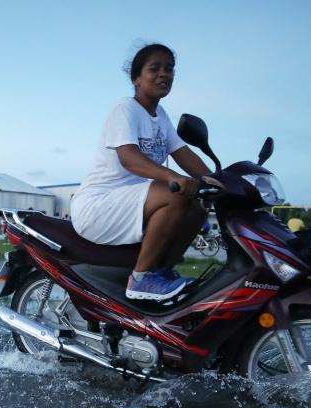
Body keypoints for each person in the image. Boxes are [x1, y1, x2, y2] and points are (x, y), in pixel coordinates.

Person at [70, 43, 219, 301]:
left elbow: (184, 154)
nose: (164, 74)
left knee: (199, 203)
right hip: (99, 206)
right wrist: (173, 177)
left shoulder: (161, 115)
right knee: (175, 193)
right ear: (137, 78)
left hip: (131, 203)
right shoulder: (124, 109)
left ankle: (162, 272)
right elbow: (129, 159)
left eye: (170, 69)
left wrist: (219, 181)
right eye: (155, 68)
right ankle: (141, 279)